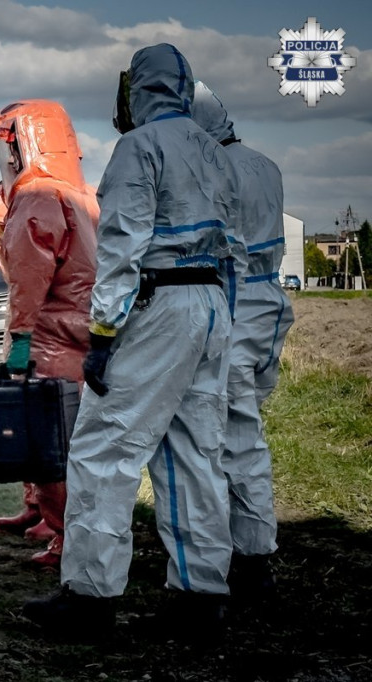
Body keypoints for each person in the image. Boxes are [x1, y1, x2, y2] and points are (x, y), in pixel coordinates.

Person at [22, 43, 245, 639]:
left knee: (104, 449)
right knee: (195, 454)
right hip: (210, 306)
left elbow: (121, 248)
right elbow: (238, 246)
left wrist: (102, 335)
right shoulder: (214, 151)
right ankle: (201, 597)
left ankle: (88, 597)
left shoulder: (138, 148)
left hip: (156, 305)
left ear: (136, 90)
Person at [0, 101, 99, 569]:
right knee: (57, 437)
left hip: (48, 335)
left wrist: (20, 337)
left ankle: (64, 538)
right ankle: (44, 514)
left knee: (48, 441)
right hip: (76, 332)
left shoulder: (35, 198)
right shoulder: (77, 194)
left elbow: (30, 276)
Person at [191, 81, 295, 601]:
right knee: (245, 427)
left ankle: (251, 557)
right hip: (271, 301)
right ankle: (245, 548)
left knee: (234, 436)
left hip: (236, 301)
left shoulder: (216, 170)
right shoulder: (266, 165)